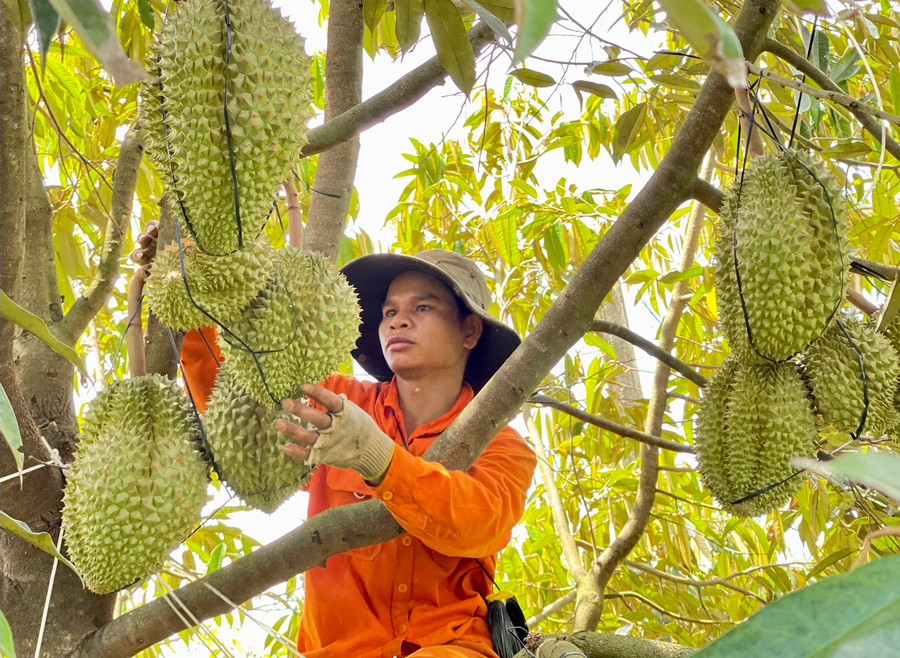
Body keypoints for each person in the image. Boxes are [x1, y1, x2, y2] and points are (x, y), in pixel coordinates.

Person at [133, 231, 536, 657]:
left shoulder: (503, 446)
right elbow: (240, 396)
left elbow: (478, 524)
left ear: (469, 330)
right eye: (389, 312)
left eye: (422, 307)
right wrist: (192, 277)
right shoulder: (338, 402)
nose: (398, 321)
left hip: (453, 646)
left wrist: (378, 459)